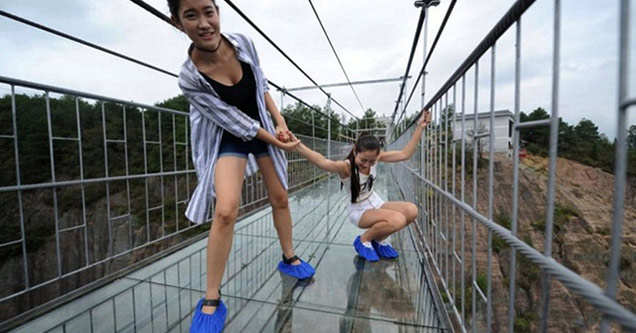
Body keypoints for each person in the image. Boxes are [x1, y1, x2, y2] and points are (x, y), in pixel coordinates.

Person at [168, 0, 315, 331]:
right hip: (227, 135)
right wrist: (274, 140)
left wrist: (280, 121)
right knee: (226, 210)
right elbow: (232, 119)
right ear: (177, 22)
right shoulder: (189, 78)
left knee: (280, 196)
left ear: (218, 12)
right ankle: (211, 296)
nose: (204, 23)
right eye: (191, 15)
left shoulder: (244, 43)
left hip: (262, 125)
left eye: (209, 11)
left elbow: (261, 85)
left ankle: (289, 257)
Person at [292, 111, 432, 261]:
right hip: (359, 210)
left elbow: (405, 154)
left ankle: (378, 240)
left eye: (372, 161)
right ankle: (364, 240)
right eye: (363, 160)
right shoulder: (346, 167)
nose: (367, 164)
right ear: (355, 151)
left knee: (411, 211)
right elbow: (324, 162)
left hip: (376, 202)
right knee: (397, 219)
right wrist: (298, 146)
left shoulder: (375, 157)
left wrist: (420, 127)